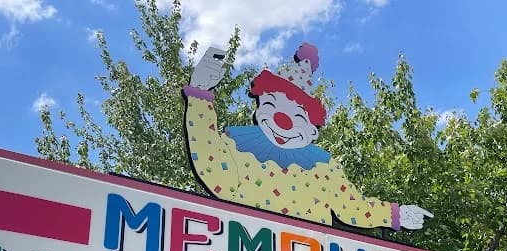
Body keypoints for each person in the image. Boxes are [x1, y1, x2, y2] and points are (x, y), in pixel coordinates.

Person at [184, 43, 433, 231]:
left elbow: (353, 208)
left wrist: (395, 215)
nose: (283, 121)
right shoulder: (238, 145)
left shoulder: (324, 168)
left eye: (299, 118)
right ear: (259, 108)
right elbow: (211, 167)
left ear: (313, 131)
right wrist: (199, 96)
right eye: (271, 105)